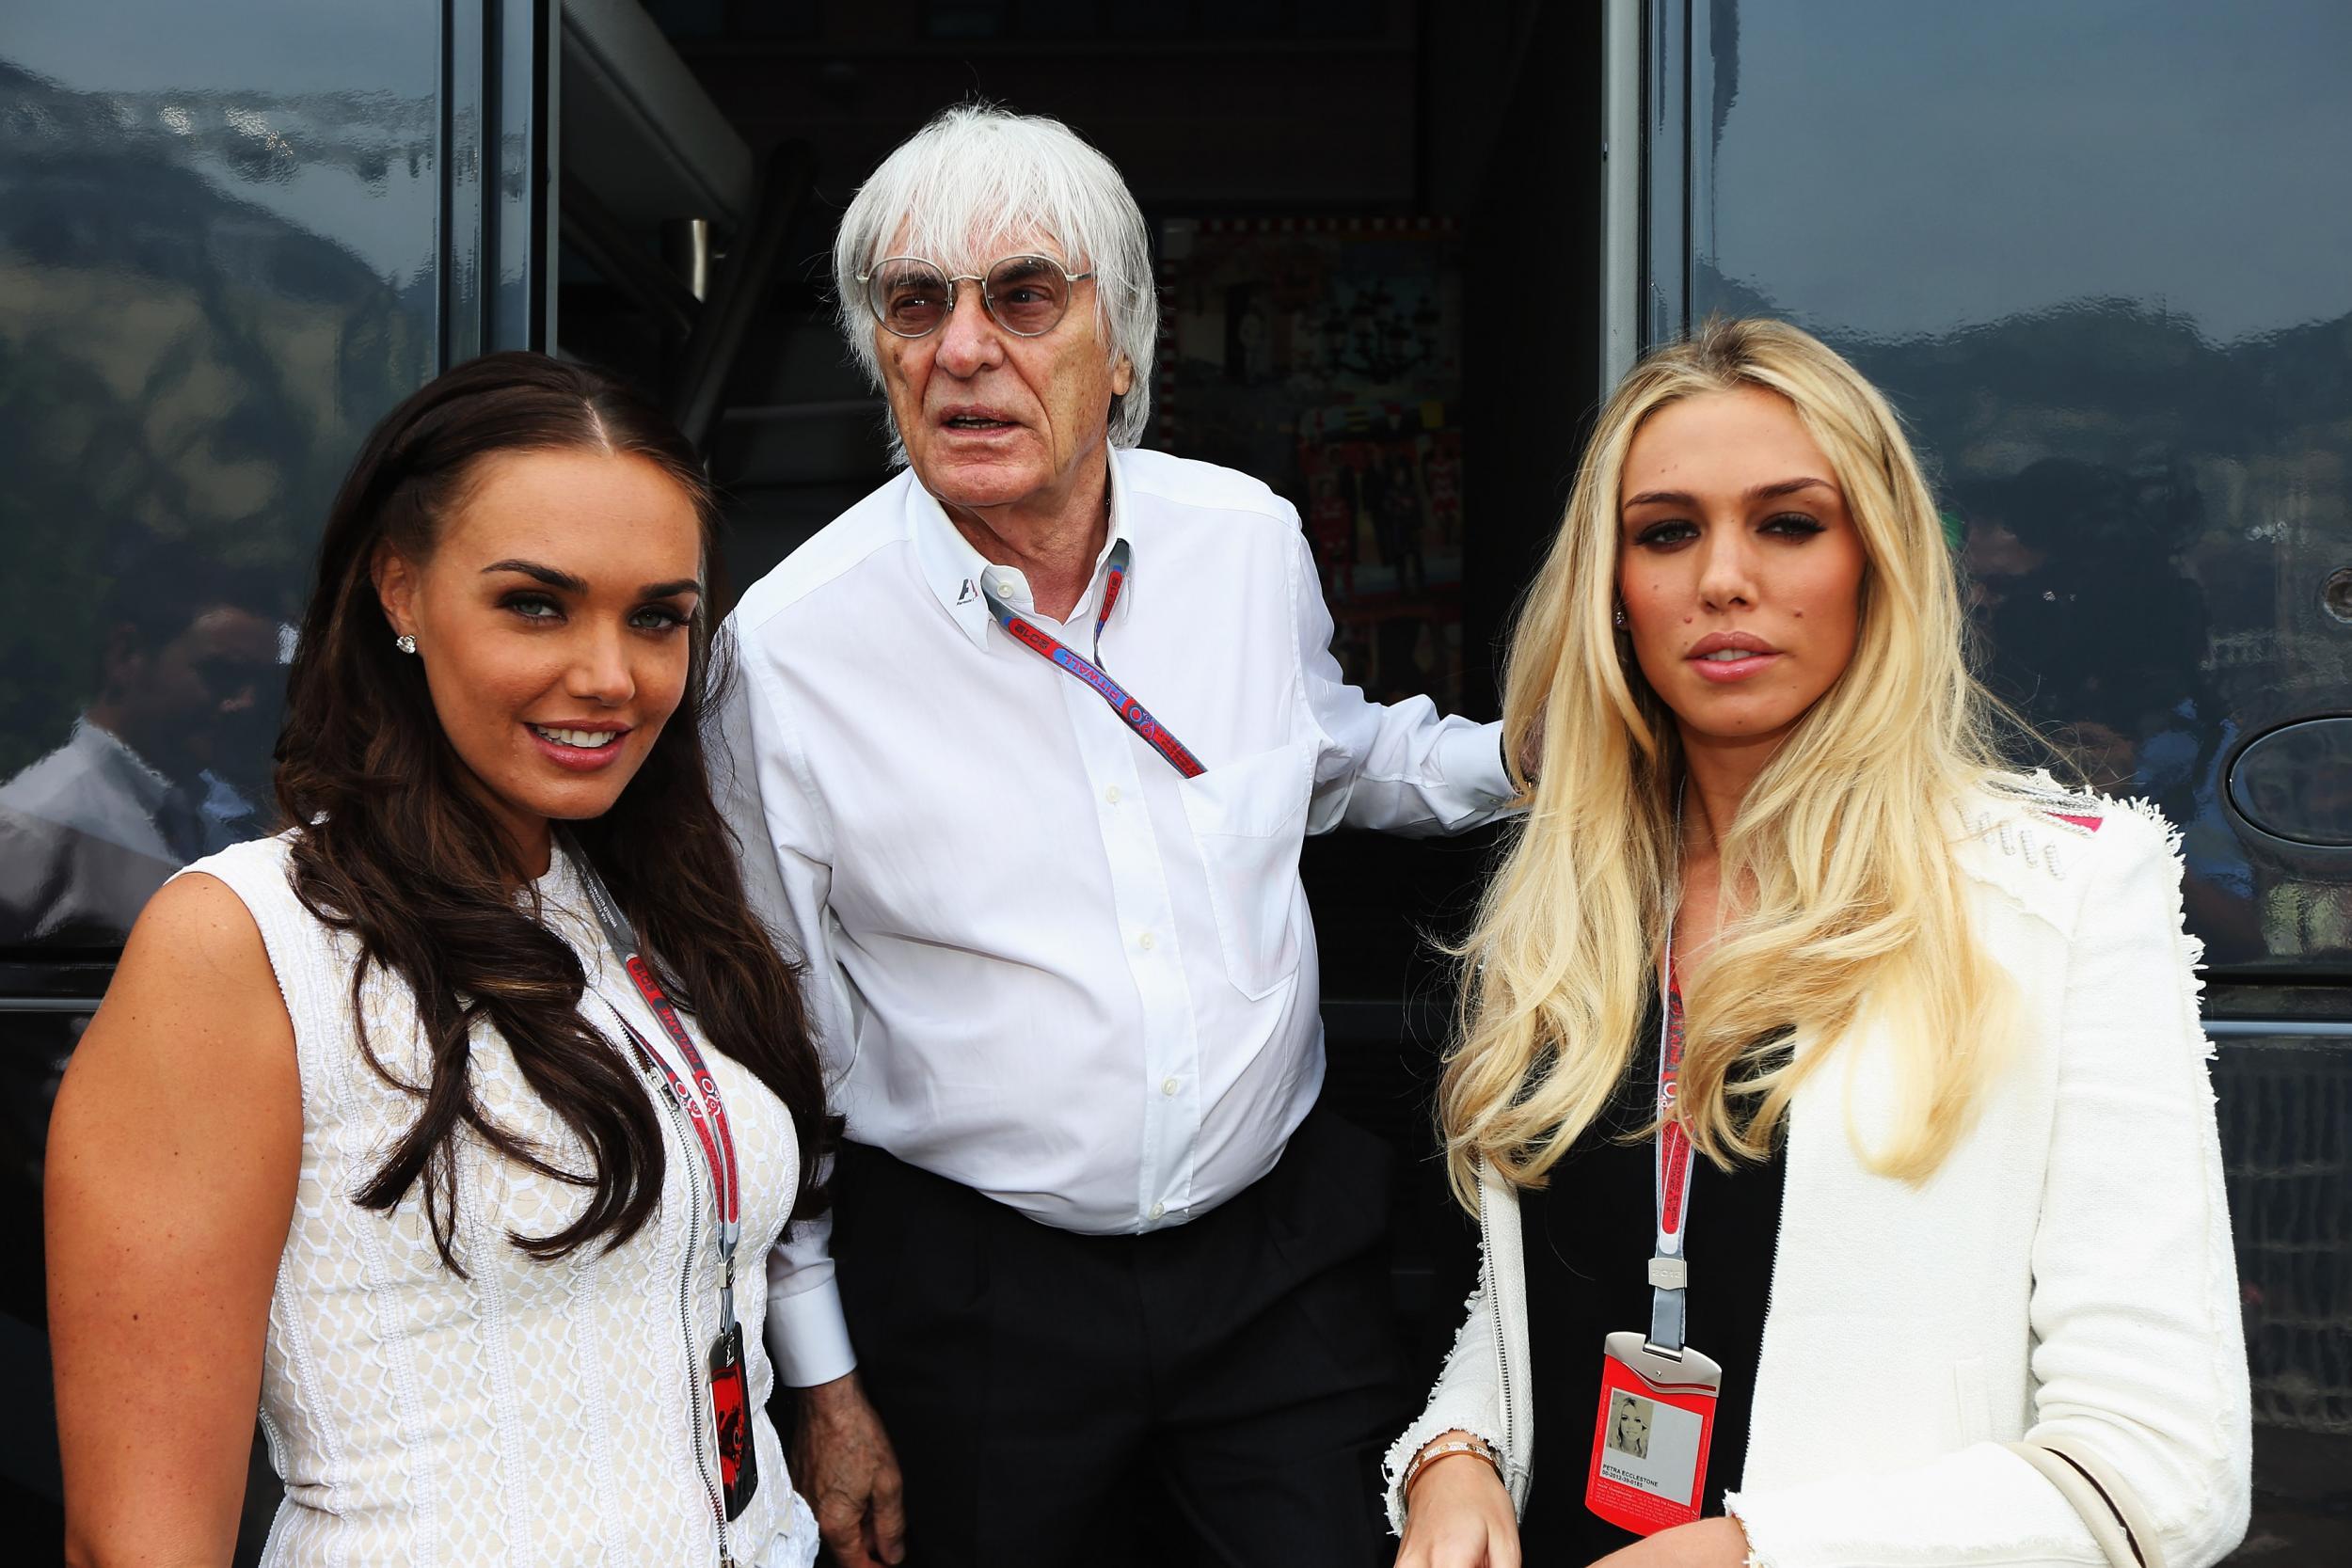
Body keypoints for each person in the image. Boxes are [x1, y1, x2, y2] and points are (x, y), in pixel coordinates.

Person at [718, 103, 1519, 1568]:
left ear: (1125, 341)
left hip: (1277, 1260)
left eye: (1024, 295)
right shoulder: (787, 649)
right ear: (878, 352)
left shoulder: (1244, 542)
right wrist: (821, 1375)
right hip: (972, 1299)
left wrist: (1538, 758)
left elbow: (1325, 758)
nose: (966, 347)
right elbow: (774, 1032)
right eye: (916, 303)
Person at [1388, 319, 2250, 1568]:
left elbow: (2158, 1471)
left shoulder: (2061, 894)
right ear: (1613, 587)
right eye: (1666, 530)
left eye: (1788, 522)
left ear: (1876, 559)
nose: (1722, 578)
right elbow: (1548, 1281)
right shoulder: (1564, 896)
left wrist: (1753, 1552)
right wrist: (1454, 1448)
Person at [46, 352, 833, 1566]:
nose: (609, 674)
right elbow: (137, 1535)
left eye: (657, 616)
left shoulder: (643, 902)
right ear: (399, 589)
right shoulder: (246, 941)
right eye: (536, 602)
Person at [0, 549, 279, 944]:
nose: (246, 702)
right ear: (126, 655)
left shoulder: (214, 820)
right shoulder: (36, 826)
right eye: (223, 673)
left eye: (260, 683)